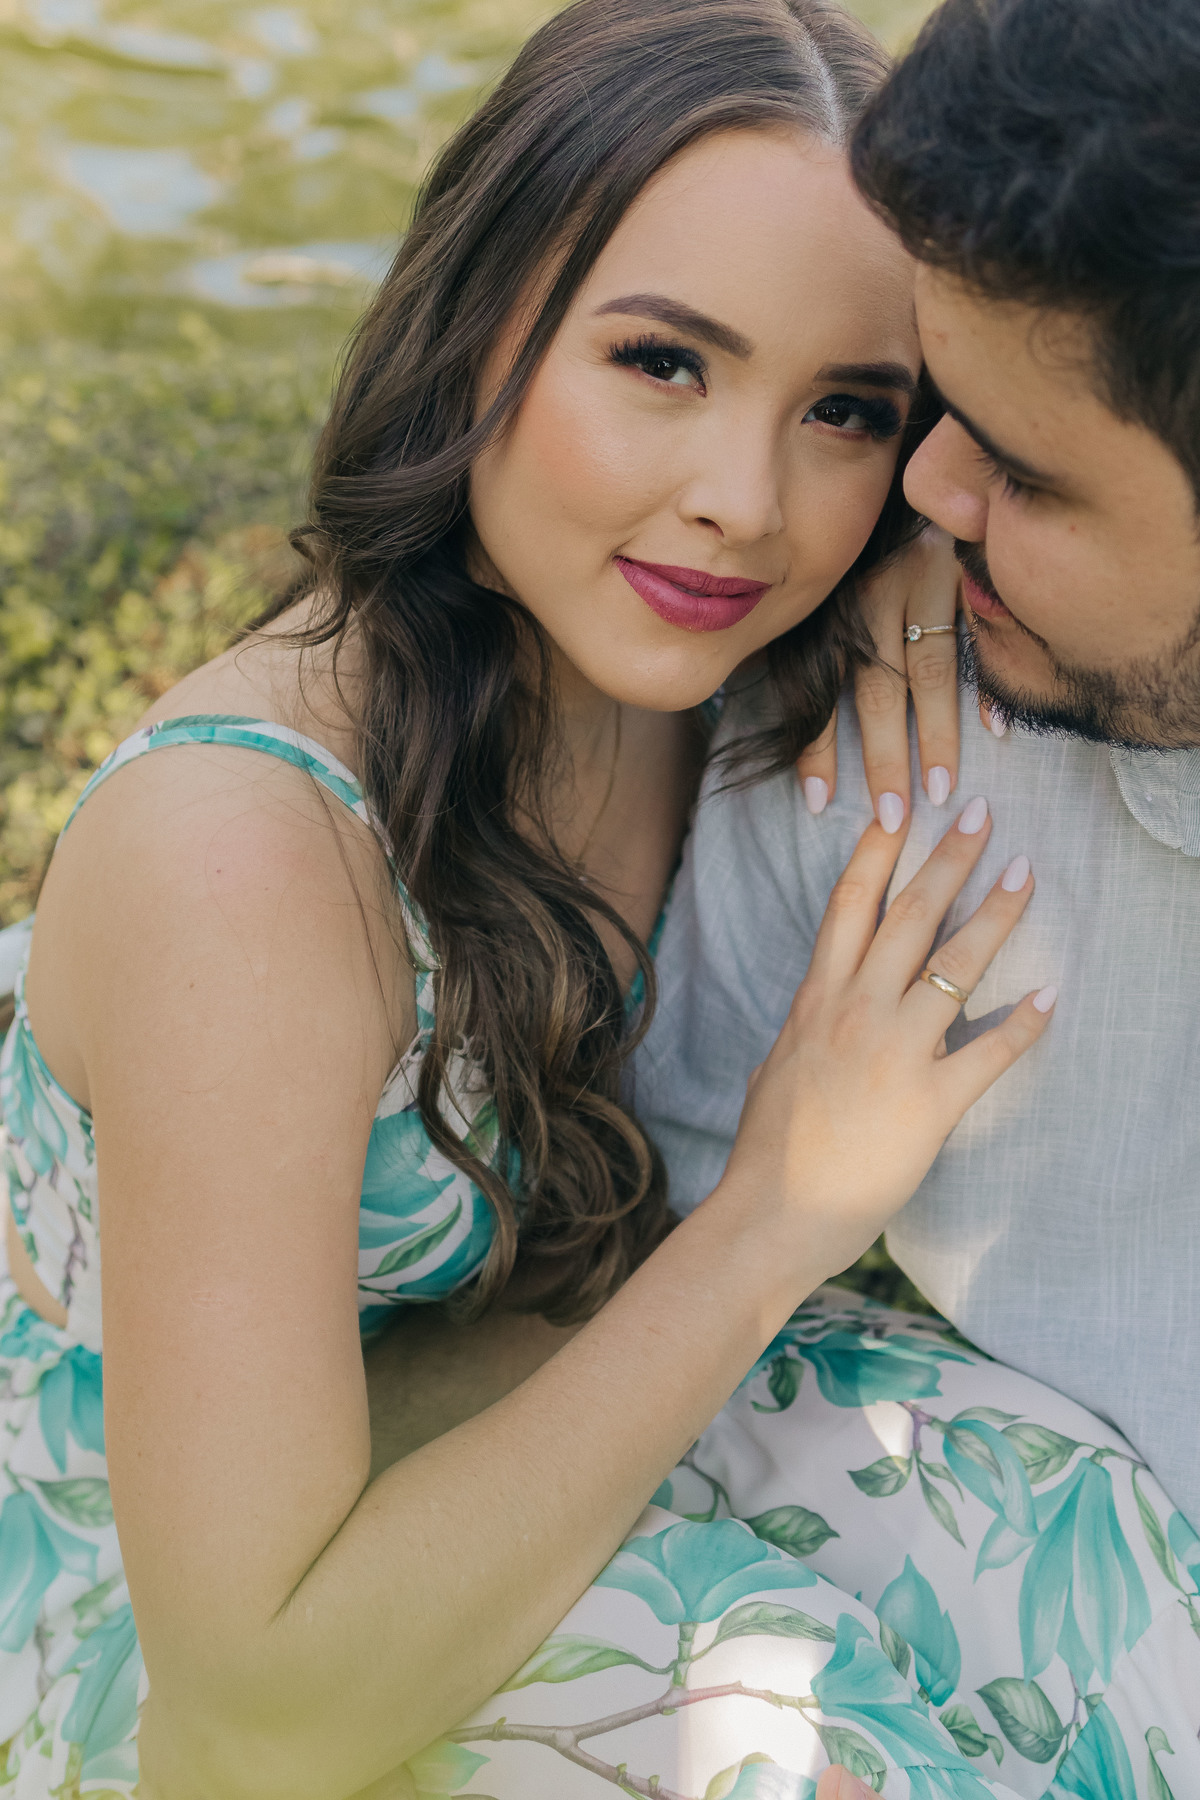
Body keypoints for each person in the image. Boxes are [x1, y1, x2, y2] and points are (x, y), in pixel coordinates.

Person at [638, 0, 1200, 1790]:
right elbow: (626, 1265)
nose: (925, 495)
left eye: (1023, 472)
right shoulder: (885, 761)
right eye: (934, 409)